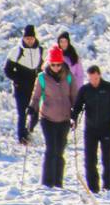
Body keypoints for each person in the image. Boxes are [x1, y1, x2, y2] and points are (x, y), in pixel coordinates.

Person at [28, 45, 77, 188]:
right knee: (51, 149)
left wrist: (76, 112)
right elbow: (36, 97)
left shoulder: (69, 76)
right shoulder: (42, 78)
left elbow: (74, 96)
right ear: (49, 63)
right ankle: (47, 183)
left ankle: (58, 182)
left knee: (60, 151)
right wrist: (32, 108)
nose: (56, 67)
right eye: (53, 64)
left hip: (64, 119)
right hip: (47, 118)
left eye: (58, 64)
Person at [71, 65, 110, 194]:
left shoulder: (109, 88)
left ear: (99, 75)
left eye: (95, 78)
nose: (93, 81)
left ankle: (108, 187)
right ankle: (93, 188)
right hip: (90, 129)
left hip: (106, 128)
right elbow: (77, 107)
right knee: (90, 159)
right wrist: (73, 119)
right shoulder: (85, 90)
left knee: (107, 159)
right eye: (90, 79)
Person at [4, 25, 43, 145]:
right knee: (22, 113)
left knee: (35, 112)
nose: (29, 40)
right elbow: (7, 69)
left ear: (34, 38)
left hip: (35, 85)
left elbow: (42, 67)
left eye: (31, 38)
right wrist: (17, 79)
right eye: (27, 38)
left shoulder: (41, 50)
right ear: (23, 38)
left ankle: (29, 131)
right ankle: (22, 138)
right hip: (20, 87)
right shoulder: (17, 51)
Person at [56, 31, 85, 96]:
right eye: (61, 41)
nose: (63, 44)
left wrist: (78, 89)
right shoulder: (54, 54)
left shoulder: (74, 56)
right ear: (58, 42)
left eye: (65, 41)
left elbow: (80, 75)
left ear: (68, 42)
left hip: (71, 88)